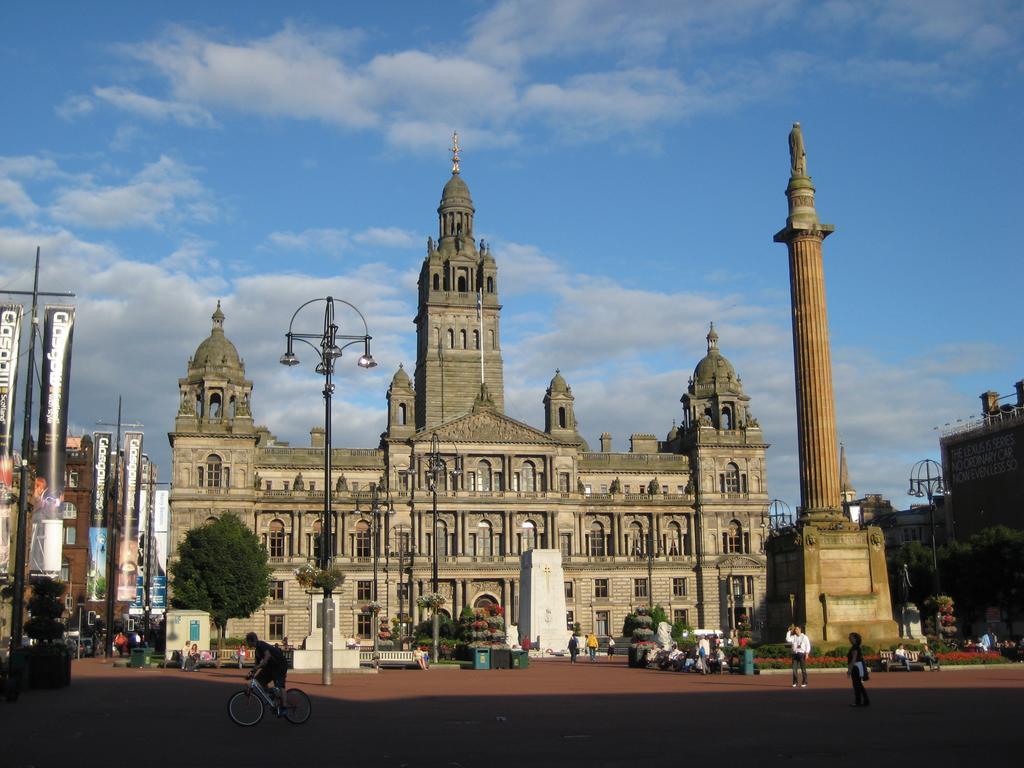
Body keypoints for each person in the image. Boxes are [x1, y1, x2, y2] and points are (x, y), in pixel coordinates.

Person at [245, 631, 288, 711]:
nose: (247, 644)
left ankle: (284, 708)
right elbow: (256, 664)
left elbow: (266, 657)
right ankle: (271, 694)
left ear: (251, 641)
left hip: (279, 665)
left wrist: (257, 667)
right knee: (259, 681)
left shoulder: (262, 645)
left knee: (280, 685)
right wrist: (251, 674)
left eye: (247, 642)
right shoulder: (257, 651)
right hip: (270, 667)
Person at [846, 632, 870, 707]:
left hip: (856, 667)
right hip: (858, 666)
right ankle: (866, 700)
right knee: (859, 684)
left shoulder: (855, 647)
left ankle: (858, 701)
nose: (849, 638)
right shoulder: (856, 646)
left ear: (855, 639)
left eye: (851, 637)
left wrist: (849, 669)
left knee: (856, 684)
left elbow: (853, 658)